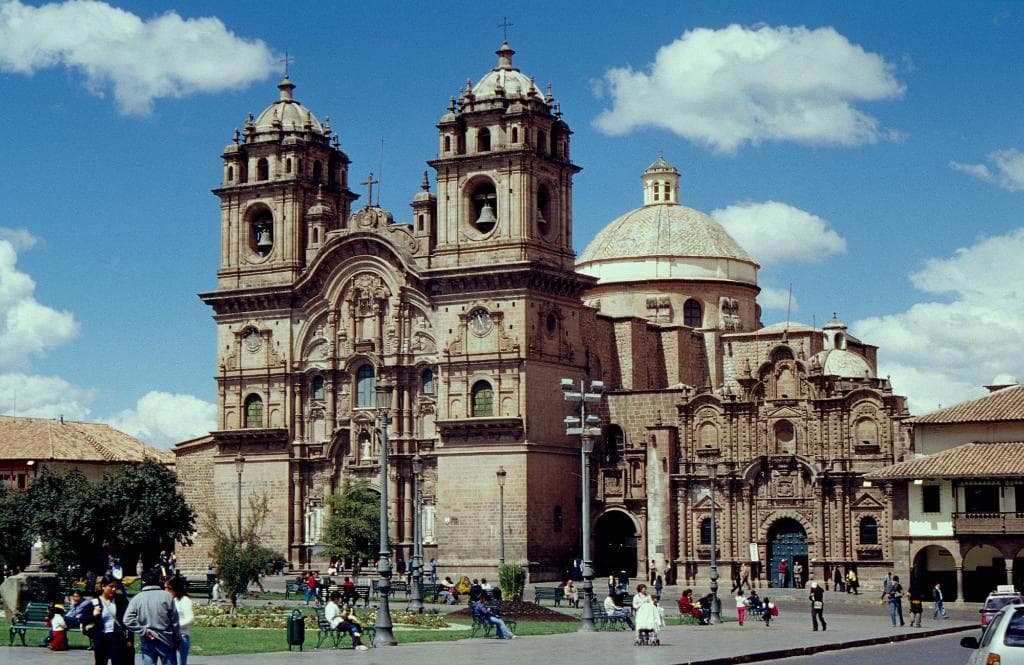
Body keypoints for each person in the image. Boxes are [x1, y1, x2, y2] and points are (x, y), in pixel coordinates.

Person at [124, 566, 181, 665]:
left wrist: (143, 630)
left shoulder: (137, 598)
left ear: (143, 581)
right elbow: (174, 621)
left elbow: (127, 619)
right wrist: (177, 639)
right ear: (159, 579)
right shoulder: (167, 596)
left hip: (147, 638)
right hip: (166, 639)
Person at [89, 575, 131, 665]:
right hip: (100, 638)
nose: (114, 589)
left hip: (116, 638)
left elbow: (129, 619)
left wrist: (130, 639)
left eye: (115, 587)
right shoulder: (95, 601)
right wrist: (93, 615)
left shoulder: (121, 600)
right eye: (111, 586)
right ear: (103, 586)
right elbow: (83, 618)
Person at [166, 576, 194, 665]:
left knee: (179, 662)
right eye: (165, 587)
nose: (166, 590)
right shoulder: (171, 600)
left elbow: (190, 619)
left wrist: (174, 625)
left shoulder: (184, 600)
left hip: (181, 636)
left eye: (169, 588)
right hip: (170, 636)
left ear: (176, 588)